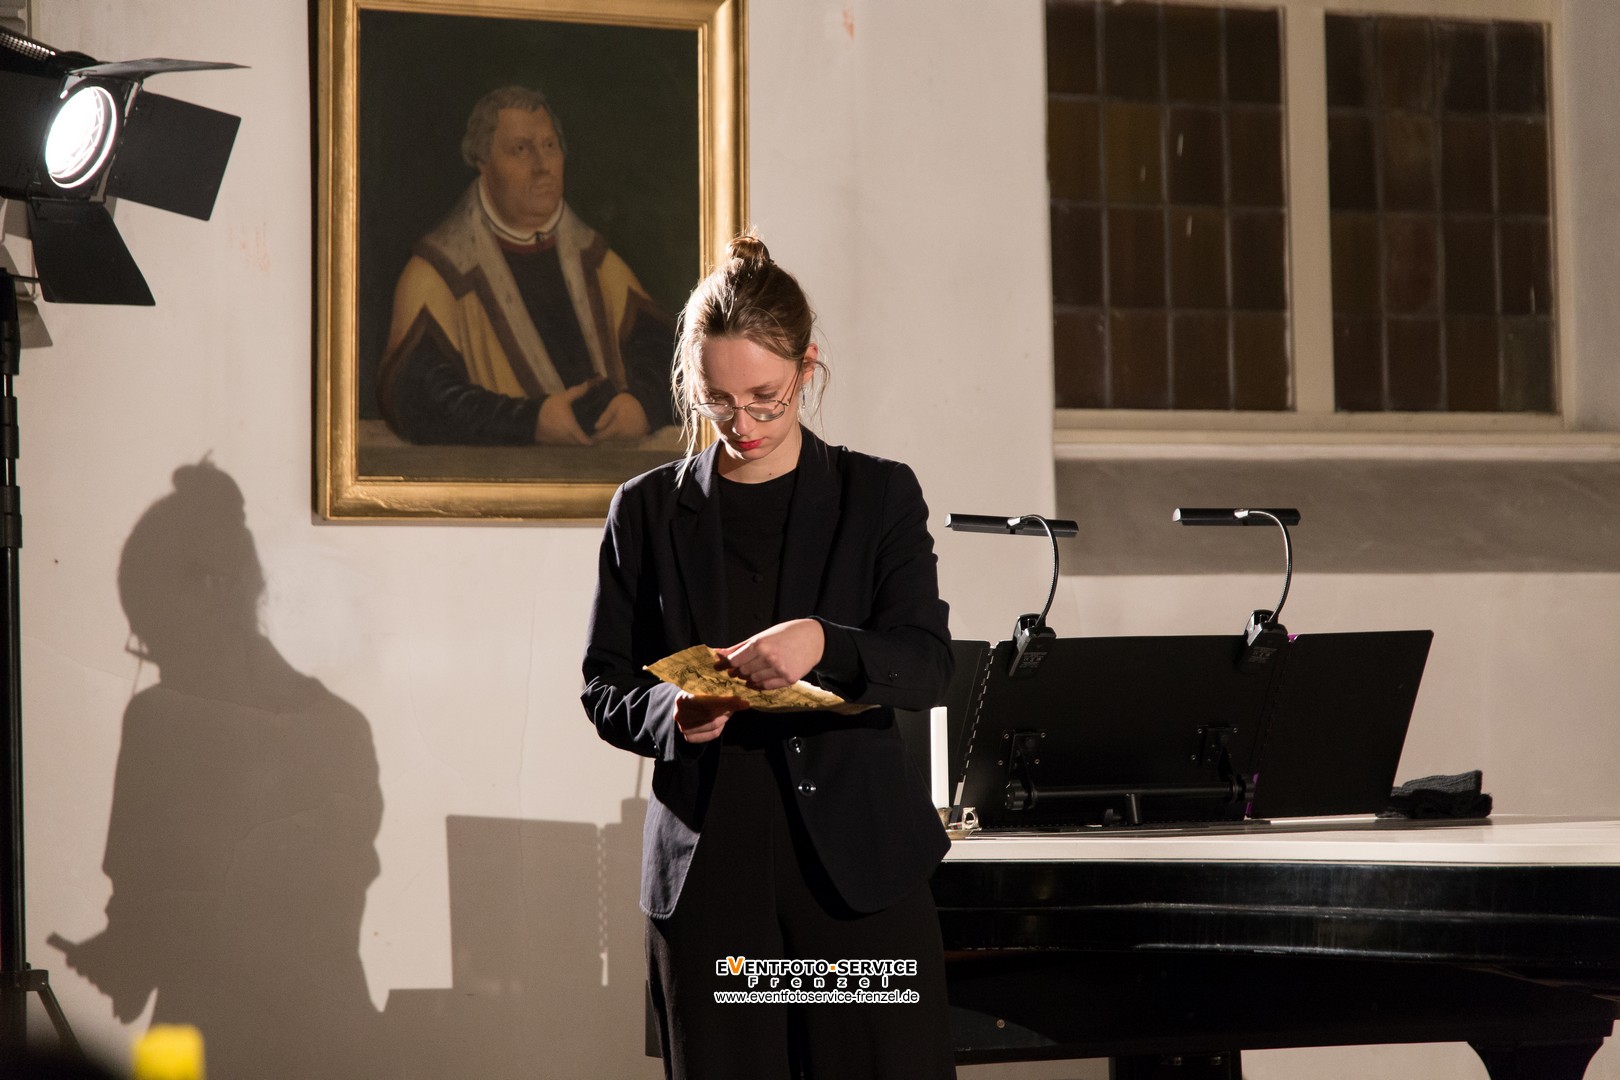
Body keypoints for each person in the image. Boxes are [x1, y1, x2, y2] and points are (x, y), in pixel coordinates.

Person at [581, 235, 958, 1079]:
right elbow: (604, 684)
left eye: (765, 399)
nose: (743, 425)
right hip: (711, 882)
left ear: (807, 367)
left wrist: (824, 641)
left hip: (857, 880)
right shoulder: (644, 511)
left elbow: (928, 664)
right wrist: (672, 711)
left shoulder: (879, 494)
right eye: (718, 401)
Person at [378, 85, 674, 446]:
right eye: (520, 149)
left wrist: (642, 405)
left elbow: (673, 360)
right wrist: (530, 422)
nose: (541, 166)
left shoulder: (598, 263)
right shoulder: (437, 274)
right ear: (483, 163)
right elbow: (417, 398)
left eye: (550, 146)